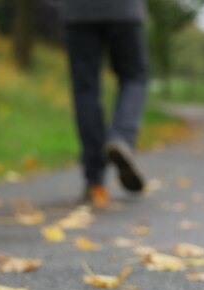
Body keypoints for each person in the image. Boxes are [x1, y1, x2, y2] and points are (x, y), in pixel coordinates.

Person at [61, 0, 148, 208]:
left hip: (78, 12)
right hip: (124, 10)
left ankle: (95, 181)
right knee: (134, 76)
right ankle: (121, 137)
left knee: (86, 90)